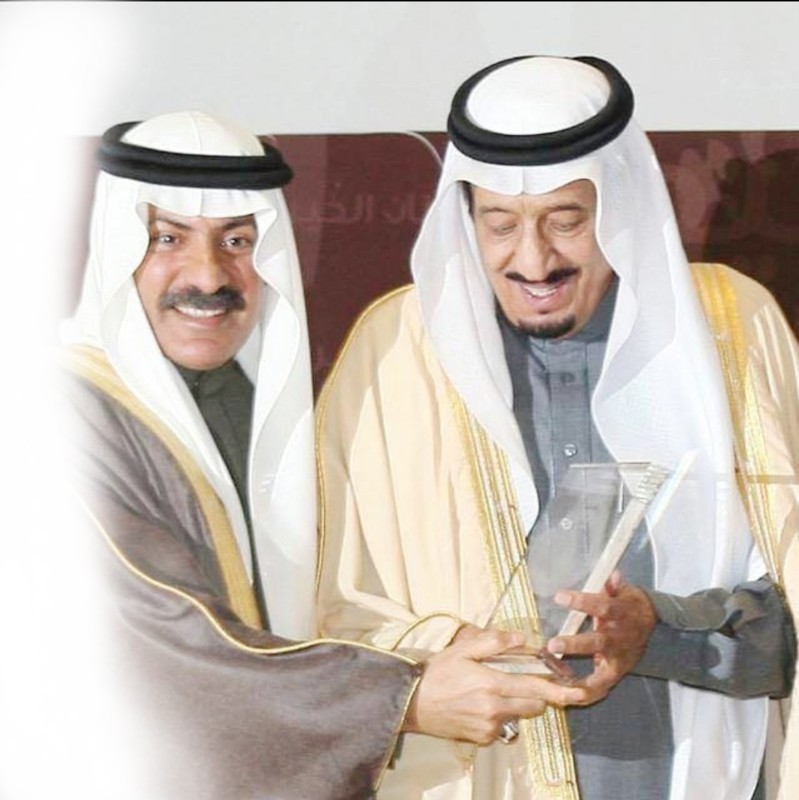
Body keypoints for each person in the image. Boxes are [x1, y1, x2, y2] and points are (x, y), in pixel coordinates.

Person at [315, 56, 798, 799]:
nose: (533, 260)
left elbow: (787, 616)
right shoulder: (394, 353)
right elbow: (328, 618)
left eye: (566, 222)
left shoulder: (732, 331)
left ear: (620, 208)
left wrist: (659, 630)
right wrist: (428, 679)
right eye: (500, 224)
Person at [59, 110, 554, 800]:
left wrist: (440, 648)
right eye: (166, 238)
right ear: (117, 249)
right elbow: (163, 644)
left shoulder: (252, 409)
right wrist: (405, 698)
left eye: (237, 241)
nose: (208, 275)